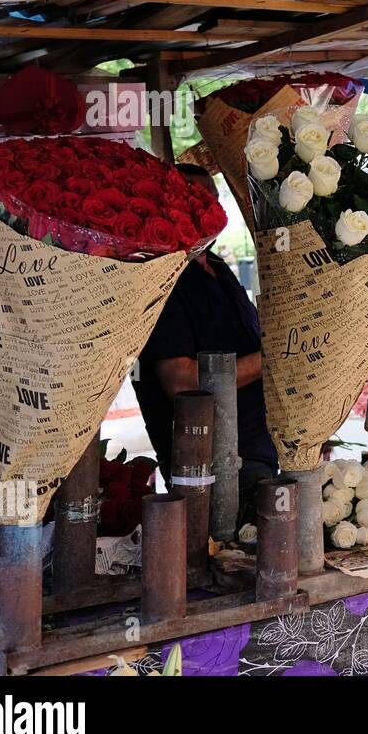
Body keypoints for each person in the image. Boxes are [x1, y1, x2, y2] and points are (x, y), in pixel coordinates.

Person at [132, 164, 276, 525]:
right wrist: (274, 358)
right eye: (195, 201)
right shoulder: (162, 277)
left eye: (213, 201)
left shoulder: (214, 264)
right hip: (213, 465)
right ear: (169, 206)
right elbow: (181, 381)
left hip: (257, 449)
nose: (209, 211)